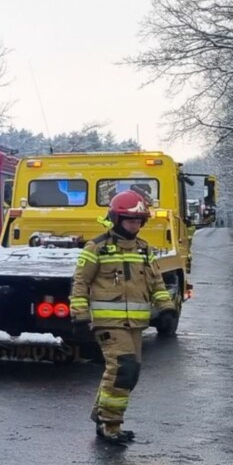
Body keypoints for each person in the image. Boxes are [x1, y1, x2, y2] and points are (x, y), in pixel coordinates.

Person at [70, 190, 176, 446]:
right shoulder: (96, 248)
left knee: (131, 373)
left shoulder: (144, 249)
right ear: (116, 219)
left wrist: (166, 307)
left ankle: (102, 415)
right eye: (130, 220)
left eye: (139, 220)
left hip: (136, 324)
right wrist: (80, 315)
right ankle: (110, 425)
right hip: (109, 323)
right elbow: (80, 282)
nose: (135, 225)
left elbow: (156, 282)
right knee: (122, 370)